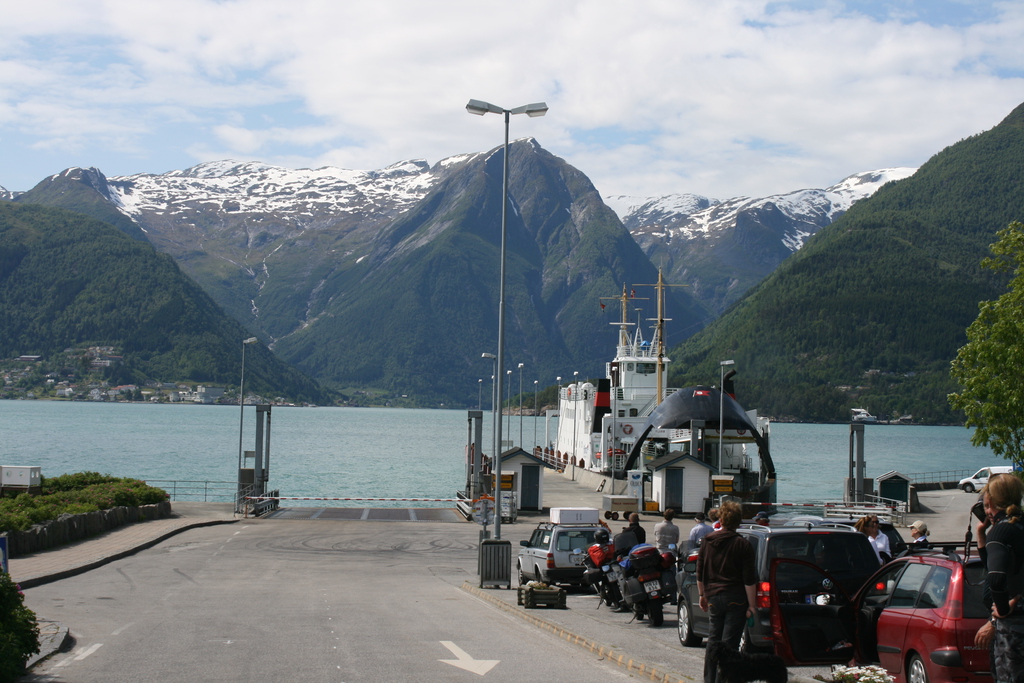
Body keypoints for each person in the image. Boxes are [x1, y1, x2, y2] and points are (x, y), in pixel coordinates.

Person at [696, 500, 757, 683]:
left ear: (721, 519)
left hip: (713, 596)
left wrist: (701, 595)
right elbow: (749, 579)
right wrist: (752, 606)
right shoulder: (742, 544)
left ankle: (710, 680)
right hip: (735, 598)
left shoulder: (707, 541)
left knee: (713, 641)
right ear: (738, 522)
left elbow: (700, 571)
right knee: (729, 645)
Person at [972, 473, 1024, 683]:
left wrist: (1001, 610)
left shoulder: (1001, 532)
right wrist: (982, 535)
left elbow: (995, 578)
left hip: (1013, 629)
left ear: (990, 501)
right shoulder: (1018, 526)